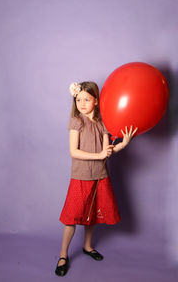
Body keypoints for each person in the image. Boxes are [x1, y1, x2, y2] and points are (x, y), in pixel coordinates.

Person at [55, 81, 138, 276]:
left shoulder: (103, 124)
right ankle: (63, 254)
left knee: (91, 215)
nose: (81, 103)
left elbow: (107, 151)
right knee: (72, 218)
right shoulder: (77, 122)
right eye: (78, 100)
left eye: (86, 99)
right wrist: (99, 155)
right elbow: (73, 151)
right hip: (81, 177)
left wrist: (123, 144)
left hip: (100, 176)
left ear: (96, 101)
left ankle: (87, 246)